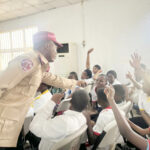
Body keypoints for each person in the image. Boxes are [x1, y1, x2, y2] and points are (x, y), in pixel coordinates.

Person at [0, 31, 85, 149]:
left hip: (15, 122)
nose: (57, 52)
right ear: (47, 46)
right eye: (56, 48)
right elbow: (2, 84)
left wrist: (75, 83)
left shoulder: (38, 66)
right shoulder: (28, 60)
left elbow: (54, 79)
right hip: (5, 122)